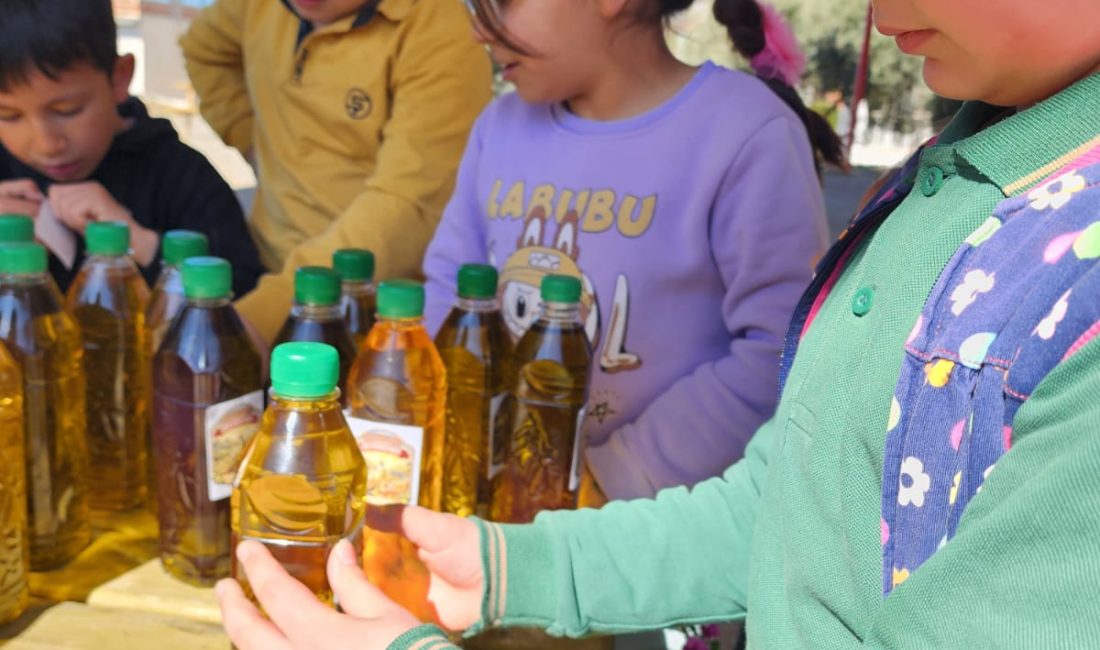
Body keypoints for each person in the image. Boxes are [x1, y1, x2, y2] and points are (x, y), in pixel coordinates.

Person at [218, 0, 1100, 648]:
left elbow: (763, 373)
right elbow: (799, 497)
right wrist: (516, 566)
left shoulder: (745, 135)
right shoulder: (952, 169)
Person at [423, 0, 829, 503]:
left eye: (501, 4)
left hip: (653, 533)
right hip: (500, 499)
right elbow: (449, 290)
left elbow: (781, 350)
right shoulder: (497, 127)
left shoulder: (746, 132)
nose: (476, 34)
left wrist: (617, 473)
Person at [180, 0, 494, 341]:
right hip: (263, 275)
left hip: (375, 318)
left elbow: (407, 209)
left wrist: (258, 321)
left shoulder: (443, 29)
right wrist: (250, 138)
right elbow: (203, 47)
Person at [0, 0, 264, 294]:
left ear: (119, 77)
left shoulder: (180, 177)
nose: (47, 145)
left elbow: (244, 301)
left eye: (68, 110)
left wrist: (140, 242)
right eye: (8, 116)